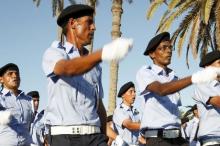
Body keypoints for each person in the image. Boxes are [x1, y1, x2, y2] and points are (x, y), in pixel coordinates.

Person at [42, 4, 133, 146]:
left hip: (94, 137)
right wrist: (104, 53)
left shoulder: (94, 65)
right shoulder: (55, 53)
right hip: (64, 138)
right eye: (89, 22)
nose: (94, 27)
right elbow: (67, 68)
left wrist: (113, 137)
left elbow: (99, 106)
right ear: (73, 23)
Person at [136, 32, 220, 146]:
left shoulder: (175, 78)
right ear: (152, 54)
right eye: (163, 48)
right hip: (157, 137)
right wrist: (195, 78)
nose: (169, 51)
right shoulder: (146, 72)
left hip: (177, 137)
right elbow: (162, 90)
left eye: (170, 47)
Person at [0, 63, 33, 146]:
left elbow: (31, 125)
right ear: (1, 79)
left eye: (17, 73)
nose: (15, 76)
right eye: (10, 74)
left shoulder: (28, 100)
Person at [193, 50, 220, 146]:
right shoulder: (203, 84)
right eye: (219, 63)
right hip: (213, 141)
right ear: (207, 67)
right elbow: (217, 102)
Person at [113, 81, 144, 146]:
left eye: (134, 92)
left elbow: (139, 134)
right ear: (123, 95)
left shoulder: (136, 111)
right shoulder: (119, 111)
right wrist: (149, 124)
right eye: (131, 91)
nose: (134, 94)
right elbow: (129, 125)